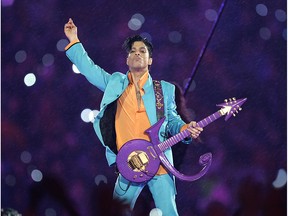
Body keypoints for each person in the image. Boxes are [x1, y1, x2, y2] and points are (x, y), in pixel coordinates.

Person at [64, 18, 203, 216]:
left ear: (150, 60)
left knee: (170, 212)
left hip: (160, 161)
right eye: (133, 51)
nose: (137, 54)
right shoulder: (115, 83)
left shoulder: (164, 89)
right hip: (129, 162)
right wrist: (74, 40)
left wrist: (184, 128)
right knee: (115, 212)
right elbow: (90, 69)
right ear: (127, 60)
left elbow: (172, 120)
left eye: (142, 51)